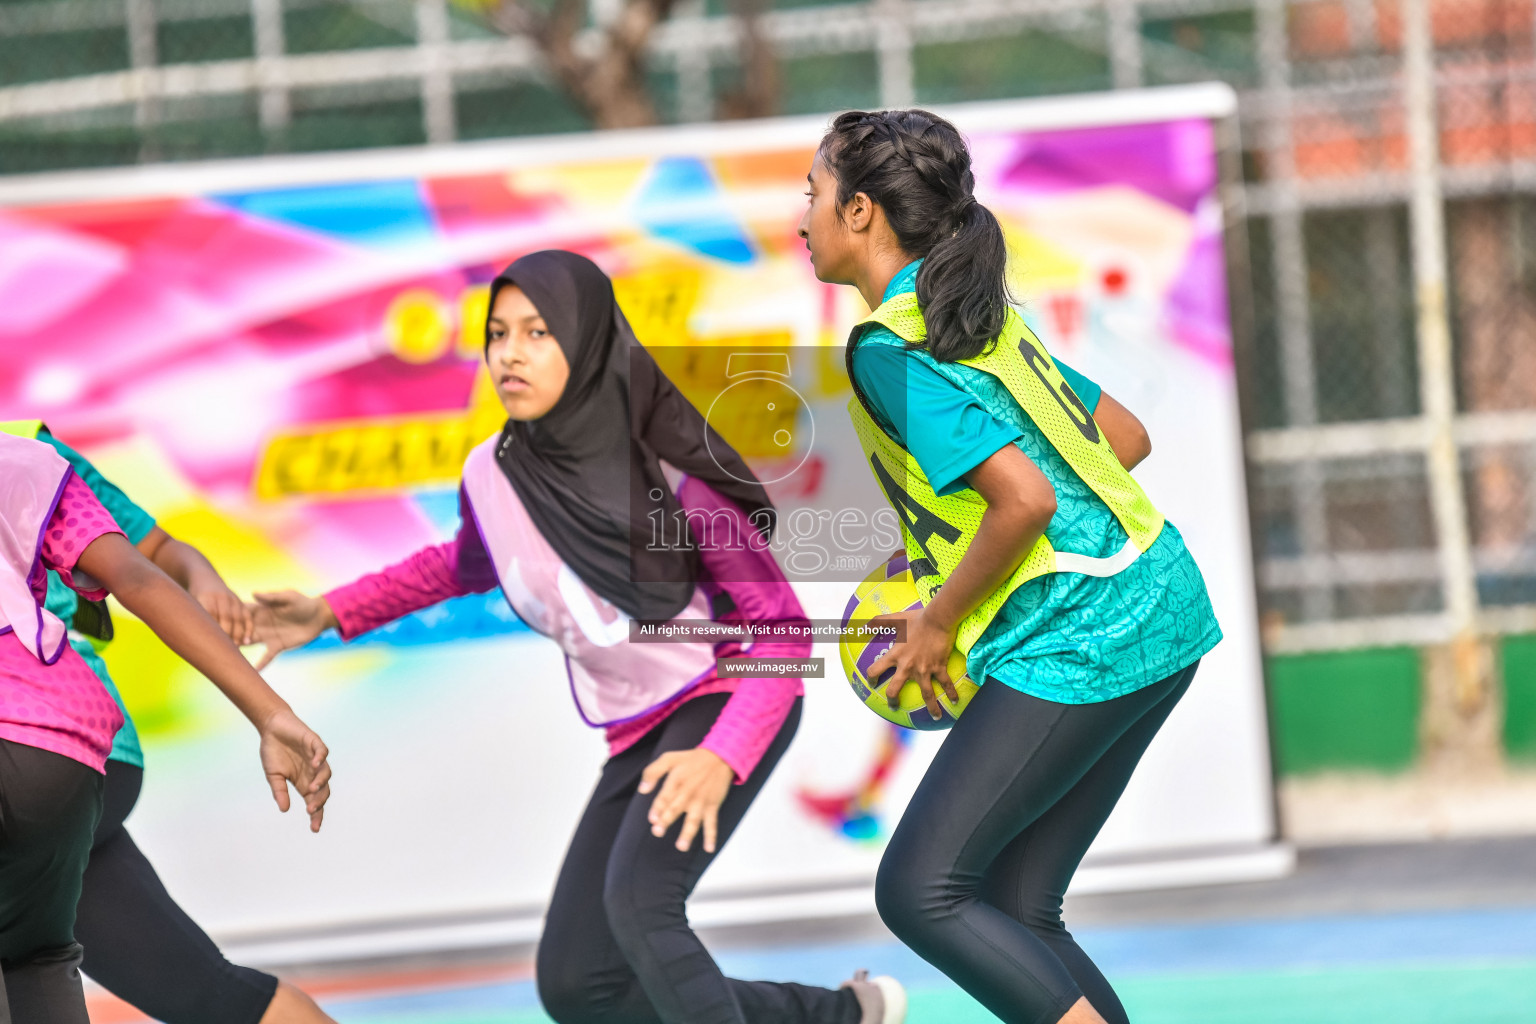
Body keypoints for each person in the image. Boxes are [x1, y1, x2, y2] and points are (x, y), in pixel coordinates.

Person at [249, 250, 905, 1024]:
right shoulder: (493, 472)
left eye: (537, 333)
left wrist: (721, 753)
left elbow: (783, 636)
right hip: (640, 729)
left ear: (590, 340)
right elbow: (460, 565)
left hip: (725, 698)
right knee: (579, 984)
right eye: (497, 334)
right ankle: (845, 1016)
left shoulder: (672, 471)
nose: (510, 354)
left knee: (640, 906)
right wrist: (332, 610)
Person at [798, 110, 1223, 1024]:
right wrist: (949, 543)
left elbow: (1024, 501)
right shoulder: (980, 315)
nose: (803, 218)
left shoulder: (887, 345)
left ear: (862, 211)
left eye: (814, 194)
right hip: (1164, 602)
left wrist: (939, 617)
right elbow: (1123, 439)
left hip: (1085, 635)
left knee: (921, 890)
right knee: (1019, 909)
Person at [0, 420, 337, 1024]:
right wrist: (269, 712)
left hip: (46, 746)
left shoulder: (28, 447)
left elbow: (151, 555)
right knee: (201, 993)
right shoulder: (19, 453)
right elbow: (138, 573)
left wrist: (203, 579)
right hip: (71, 764)